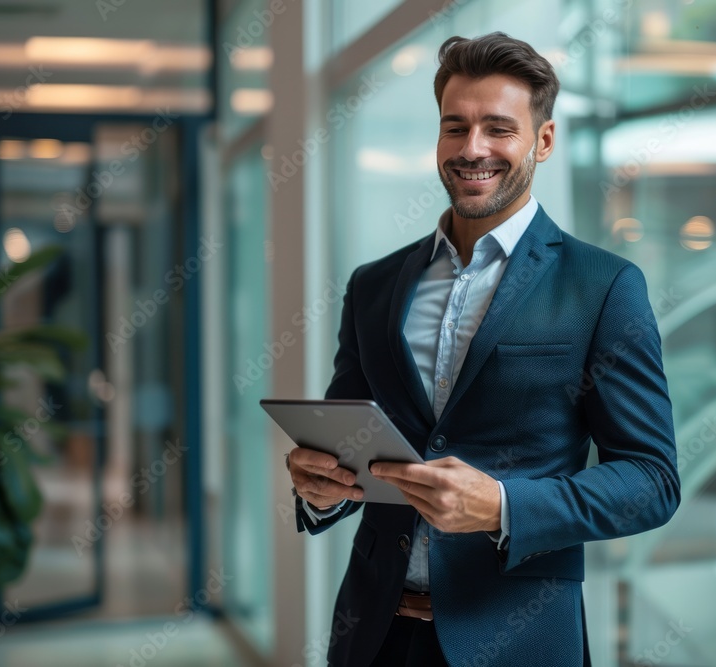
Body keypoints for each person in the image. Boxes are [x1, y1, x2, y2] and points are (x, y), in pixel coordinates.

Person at [285, 32, 680, 667]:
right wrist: (318, 486)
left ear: (542, 141)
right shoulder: (374, 285)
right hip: (374, 633)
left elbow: (652, 481)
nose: (473, 150)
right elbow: (347, 446)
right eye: (455, 127)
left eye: (499, 128)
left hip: (517, 639)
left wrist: (502, 505)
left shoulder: (603, 286)